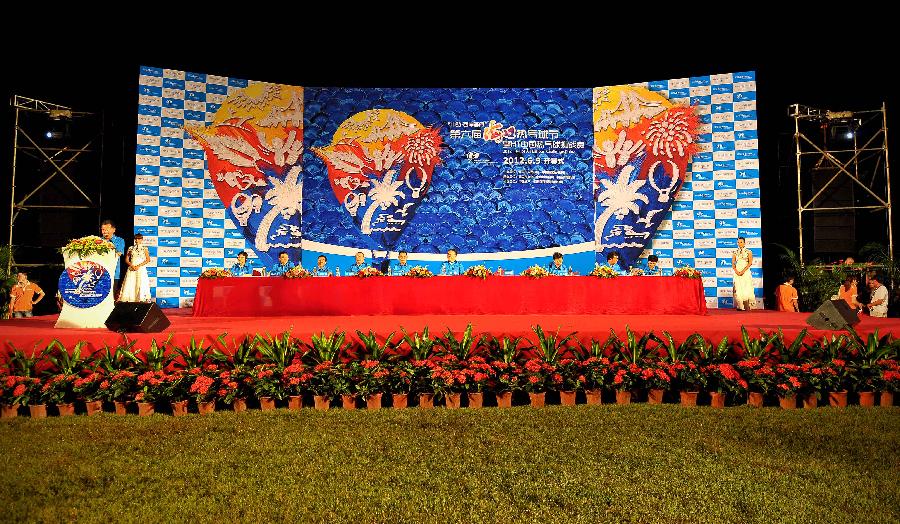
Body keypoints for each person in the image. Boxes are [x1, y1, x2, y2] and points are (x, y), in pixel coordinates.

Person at [119, 234, 152, 302]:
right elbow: (126, 260)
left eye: (139, 239)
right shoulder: (131, 248)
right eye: (136, 239)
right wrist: (132, 265)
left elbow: (148, 259)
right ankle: (131, 299)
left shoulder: (145, 248)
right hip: (132, 268)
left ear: (142, 240)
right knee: (131, 283)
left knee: (141, 283)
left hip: (141, 268)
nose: (137, 240)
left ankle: (141, 298)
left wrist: (138, 266)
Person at [100, 219, 126, 297]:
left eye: (107, 230)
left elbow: (119, 254)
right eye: (103, 230)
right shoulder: (98, 241)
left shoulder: (120, 240)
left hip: (114, 273)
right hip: (100, 273)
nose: (104, 232)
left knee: (111, 297)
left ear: (113, 230)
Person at [731, 237, 756, 311]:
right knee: (738, 288)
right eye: (738, 242)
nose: (739, 244)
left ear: (744, 243)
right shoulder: (735, 252)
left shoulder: (749, 252)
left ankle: (748, 305)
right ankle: (740, 306)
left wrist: (743, 271)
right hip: (737, 272)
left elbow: (750, 263)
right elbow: (733, 263)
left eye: (741, 242)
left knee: (747, 287)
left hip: (745, 271)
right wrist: (736, 271)